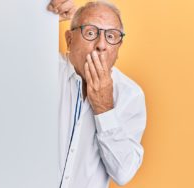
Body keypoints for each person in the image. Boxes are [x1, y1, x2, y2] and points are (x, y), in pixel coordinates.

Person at [47, 1, 147, 188]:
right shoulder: (44, 70)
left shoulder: (130, 95)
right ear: (69, 39)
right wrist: (40, 16)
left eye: (111, 36)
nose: (101, 45)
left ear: (118, 48)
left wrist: (104, 108)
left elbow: (123, 173)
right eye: (91, 33)